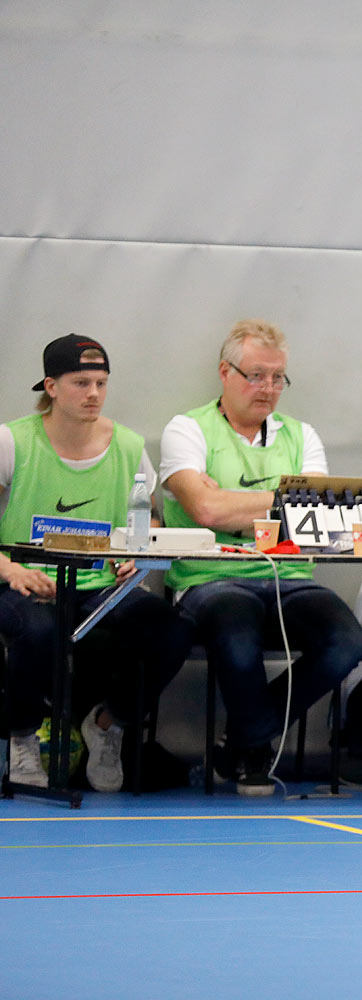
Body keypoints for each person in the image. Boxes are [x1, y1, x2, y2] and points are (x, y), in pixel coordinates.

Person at [160, 320, 362, 794]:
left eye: (277, 378)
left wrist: (235, 502)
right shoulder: (187, 429)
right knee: (236, 626)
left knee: (347, 641)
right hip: (211, 578)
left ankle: (243, 741)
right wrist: (281, 498)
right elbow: (203, 508)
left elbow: (317, 511)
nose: (268, 388)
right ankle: (250, 752)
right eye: (256, 375)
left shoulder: (302, 435)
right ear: (224, 373)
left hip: (290, 577)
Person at [1, 335, 190, 792]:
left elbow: (153, 522)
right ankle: (22, 735)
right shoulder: (12, 442)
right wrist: (11, 570)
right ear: (50, 386)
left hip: (99, 584)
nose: (94, 394)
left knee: (172, 628)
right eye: (80, 382)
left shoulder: (127, 445)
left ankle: (108, 724)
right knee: (37, 629)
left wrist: (135, 557)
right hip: (23, 580)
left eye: (101, 383)